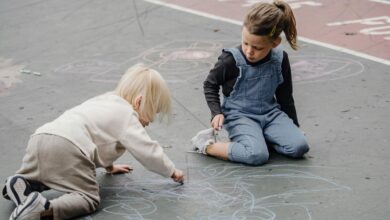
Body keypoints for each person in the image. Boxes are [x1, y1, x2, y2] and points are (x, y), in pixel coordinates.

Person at [2, 63, 185, 220]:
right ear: (138, 102)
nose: (151, 120)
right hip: (68, 147)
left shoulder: (105, 100)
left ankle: (23, 183)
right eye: (152, 112)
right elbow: (147, 151)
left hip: (41, 137)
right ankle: (43, 210)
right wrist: (170, 170)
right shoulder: (128, 115)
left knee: (53, 174)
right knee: (88, 198)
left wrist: (110, 167)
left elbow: (99, 135)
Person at [191, 0, 309, 165]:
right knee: (256, 155)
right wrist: (216, 112)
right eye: (245, 43)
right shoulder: (231, 60)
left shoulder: (280, 59)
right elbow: (210, 84)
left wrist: (293, 125)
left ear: (275, 43)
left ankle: (259, 138)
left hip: (270, 114)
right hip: (239, 116)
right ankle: (206, 144)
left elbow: (285, 96)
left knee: (299, 147)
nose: (249, 51)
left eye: (257, 47)